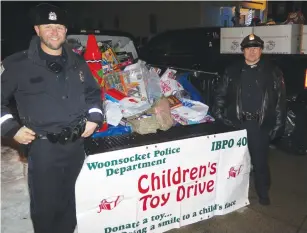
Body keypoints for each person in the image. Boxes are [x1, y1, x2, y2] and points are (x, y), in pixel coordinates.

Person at [1, 3, 103, 233]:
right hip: (43, 149)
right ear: (37, 29)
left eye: (59, 26)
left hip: (76, 146)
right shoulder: (17, 65)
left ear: (66, 31)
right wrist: (11, 128)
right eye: (48, 26)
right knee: (46, 209)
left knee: (70, 202)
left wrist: (94, 118)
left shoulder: (78, 62)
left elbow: (93, 94)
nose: (54, 31)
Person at [213, 34, 286, 206]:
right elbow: (221, 95)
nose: (252, 52)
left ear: (261, 50)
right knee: (233, 163)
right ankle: (230, 195)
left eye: (255, 48)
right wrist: (220, 115)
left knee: (260, 163)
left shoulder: (273, 71)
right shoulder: (232, 71)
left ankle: (263, 193)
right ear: (243, 51)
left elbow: (280, 101)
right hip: (236, 124)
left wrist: (278, 125)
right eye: (248, 48)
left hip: (259, 127)